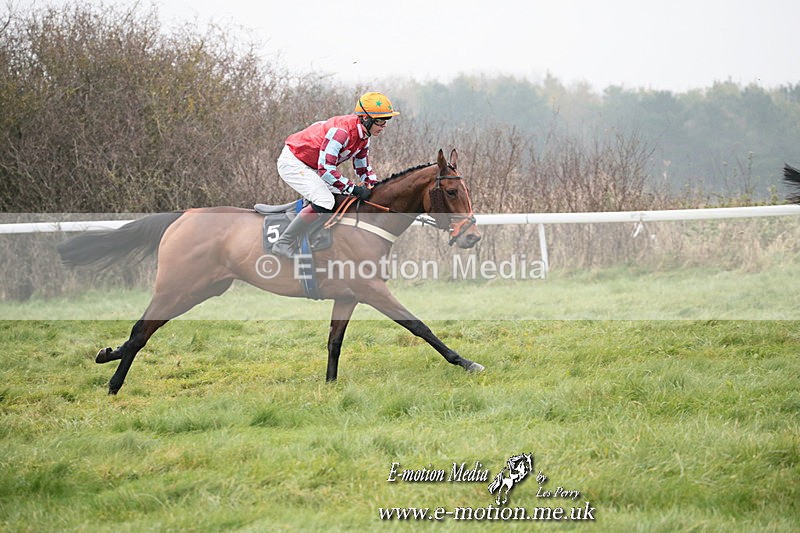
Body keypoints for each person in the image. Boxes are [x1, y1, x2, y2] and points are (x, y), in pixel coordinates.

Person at [271, 91, 400, 259]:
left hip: (314, 166)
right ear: (366, 119)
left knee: (344, 199)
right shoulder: (342, 132)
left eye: (386, 121)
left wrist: (376, 187)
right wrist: (353, 188)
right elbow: (325, 169)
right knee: (325, 201)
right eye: (381, 121)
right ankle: (284, 242)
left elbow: (363, 169)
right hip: (295, 162)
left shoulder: (364, 137)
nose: (384, 126)